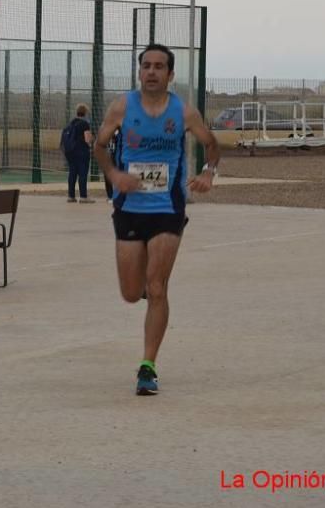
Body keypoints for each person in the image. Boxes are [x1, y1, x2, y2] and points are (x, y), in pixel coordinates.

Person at [93, 44, 220, 396]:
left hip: (168, 208)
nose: (151, 71)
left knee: (159, 286)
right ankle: (148, 287)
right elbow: (100, 146)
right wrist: (114, 174)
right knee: (132, 293)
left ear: (170, 74)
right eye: (146, 65)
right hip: (129, 208)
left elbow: (212, 144)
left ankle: (147, 366)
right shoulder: (122, 107)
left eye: (158, 66)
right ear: (139, 72)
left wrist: (208, 173)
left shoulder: (183, 112)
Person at [63, 104, 95, 203]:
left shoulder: (71, 123)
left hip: (70, 152)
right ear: (85, 113)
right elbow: (87, 139)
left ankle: (71, 196)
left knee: (72, 173)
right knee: (82, 173)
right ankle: (83, 196)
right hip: (81, 152)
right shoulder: (84, 124)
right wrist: (92, 139)